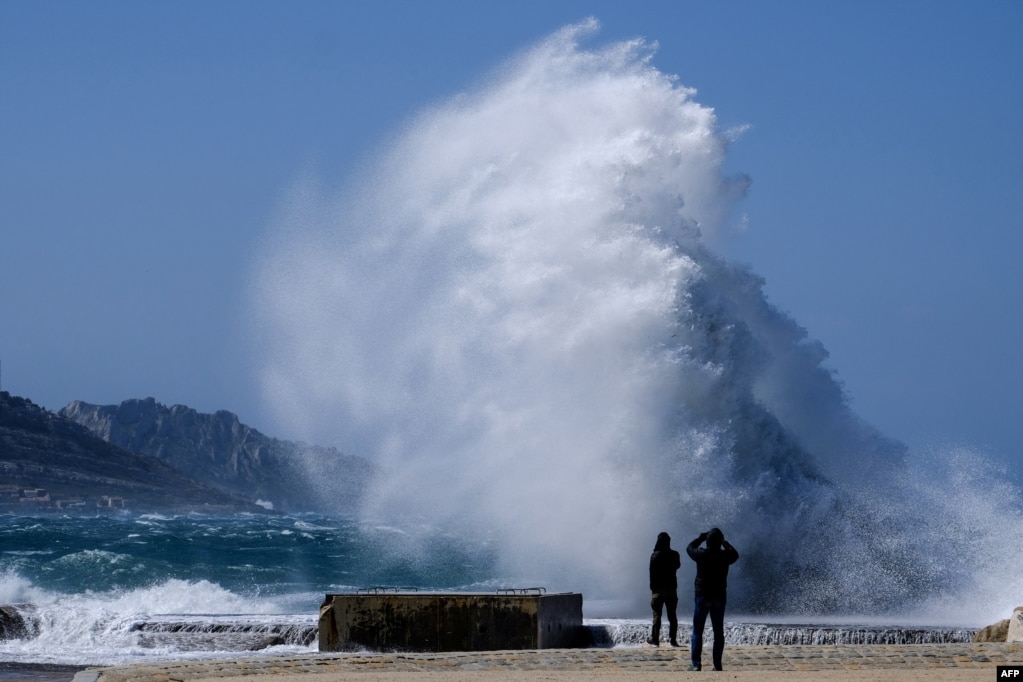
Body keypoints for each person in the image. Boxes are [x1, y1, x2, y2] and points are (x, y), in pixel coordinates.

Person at [686, 527, 739, 671]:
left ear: (707, 542)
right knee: (718, 632)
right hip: (719, 598)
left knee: (698, 631)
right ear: (719, 542)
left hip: (702, 597)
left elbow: (689, 548)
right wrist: (724, 543)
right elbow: (735, 554)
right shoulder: (725, 556)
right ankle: (717, 664)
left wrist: (700, 538)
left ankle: (696, 664)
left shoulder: (701, 554)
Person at [647, 531, 681, 647]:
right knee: (672, 616)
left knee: (657, 615)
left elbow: (651, 573)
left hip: (658, 590)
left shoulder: (655, 555)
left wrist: (653, 588)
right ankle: (673, 640)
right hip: (671, 589)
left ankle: (655, 639)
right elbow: (677, 566)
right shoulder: (675, 554)